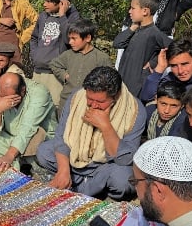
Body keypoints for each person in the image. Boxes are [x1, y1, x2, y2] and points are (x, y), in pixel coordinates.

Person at [37, 67, 146, 200]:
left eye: (100, 102)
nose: (93, 106)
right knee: (44, 151)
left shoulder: (135, 110)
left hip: (104, 166)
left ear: (115, 96)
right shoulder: (76, 98)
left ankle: (81, 187)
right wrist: (63, 170)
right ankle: (88, 185)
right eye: (90, 99)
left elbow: (125, 159)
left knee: (123, 180)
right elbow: (61, 137)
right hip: (74, 160)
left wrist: (106, 126)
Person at [0, 72, 57, 171]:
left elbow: (28, 128)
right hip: (10, 138)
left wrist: (9, 155)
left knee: (36, 142)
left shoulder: (39, 93)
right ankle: (17, 162)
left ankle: (18, 162)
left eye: (10, 98)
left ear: (22, 90)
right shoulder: (1, 90)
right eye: (3, 97)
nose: (6, 100)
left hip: (35, 139)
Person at [29, 0, 81, 110]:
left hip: (56, 75)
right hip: (38, 71)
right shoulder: (43, 16)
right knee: (35, 107)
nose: (44, 4)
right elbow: (34, 37)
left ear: (61, 2)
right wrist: (35, 55)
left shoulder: (73, 18)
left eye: (48, 1)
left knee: (54, 109)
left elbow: (68, 40)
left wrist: (63, 16)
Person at [114, 0, 172, 97]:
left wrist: (154, 62)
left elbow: (174, 48)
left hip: (137, 87)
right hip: (123, 83)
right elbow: (117, 43)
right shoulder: (135, 30)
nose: (130, 11)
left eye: (133, 8)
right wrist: (133, 27)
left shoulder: (154, 33)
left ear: (145, 11)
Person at [49, 19, 113, 113]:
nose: (70, 42)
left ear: (87, 38)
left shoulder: (101, 58)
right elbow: (54, 64)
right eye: (69, 38)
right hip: (67, 101)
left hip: (87, 104)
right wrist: (64, 76)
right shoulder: (68, 54)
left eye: (74, 38)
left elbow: (110, 79)